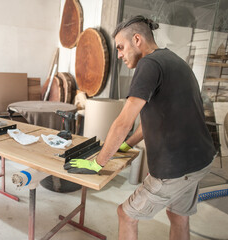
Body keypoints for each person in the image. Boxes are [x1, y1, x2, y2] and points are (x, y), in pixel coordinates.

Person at [64, 15, 216, 240]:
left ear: (137, 39)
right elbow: (157, 118)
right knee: (178, 216)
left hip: (176, 169)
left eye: (120, 47)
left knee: (126, 215)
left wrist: (98, 163)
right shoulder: (174, 60)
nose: (119, 55)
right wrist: (126, 145)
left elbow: (123, 122)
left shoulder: (148, 64)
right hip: (200, 161)